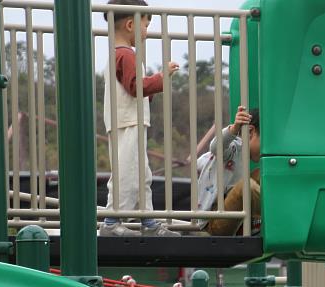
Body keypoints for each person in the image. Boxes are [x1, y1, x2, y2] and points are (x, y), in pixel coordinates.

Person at [100, 0, 180, 237]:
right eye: (145, 25)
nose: (147, 31)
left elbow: (134, 90)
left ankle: (148, 222)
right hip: (128, 122)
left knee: (141, 173)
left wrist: (151, 88)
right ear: (130, 25)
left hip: (129, 121)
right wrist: (162, 76)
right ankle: (112, 221)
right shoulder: (125, 55)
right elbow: (136, 87)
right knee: (127, 172)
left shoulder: (119, 54)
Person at [196, 106, 261, 236]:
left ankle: (253, 221)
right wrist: (234, 129)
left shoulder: (246, 158)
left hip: (232, 219)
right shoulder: (234, 148)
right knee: (246, 186)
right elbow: (216, 147)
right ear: (251, 132)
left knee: (262, 174)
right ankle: (264, 218)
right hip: (214, 221)